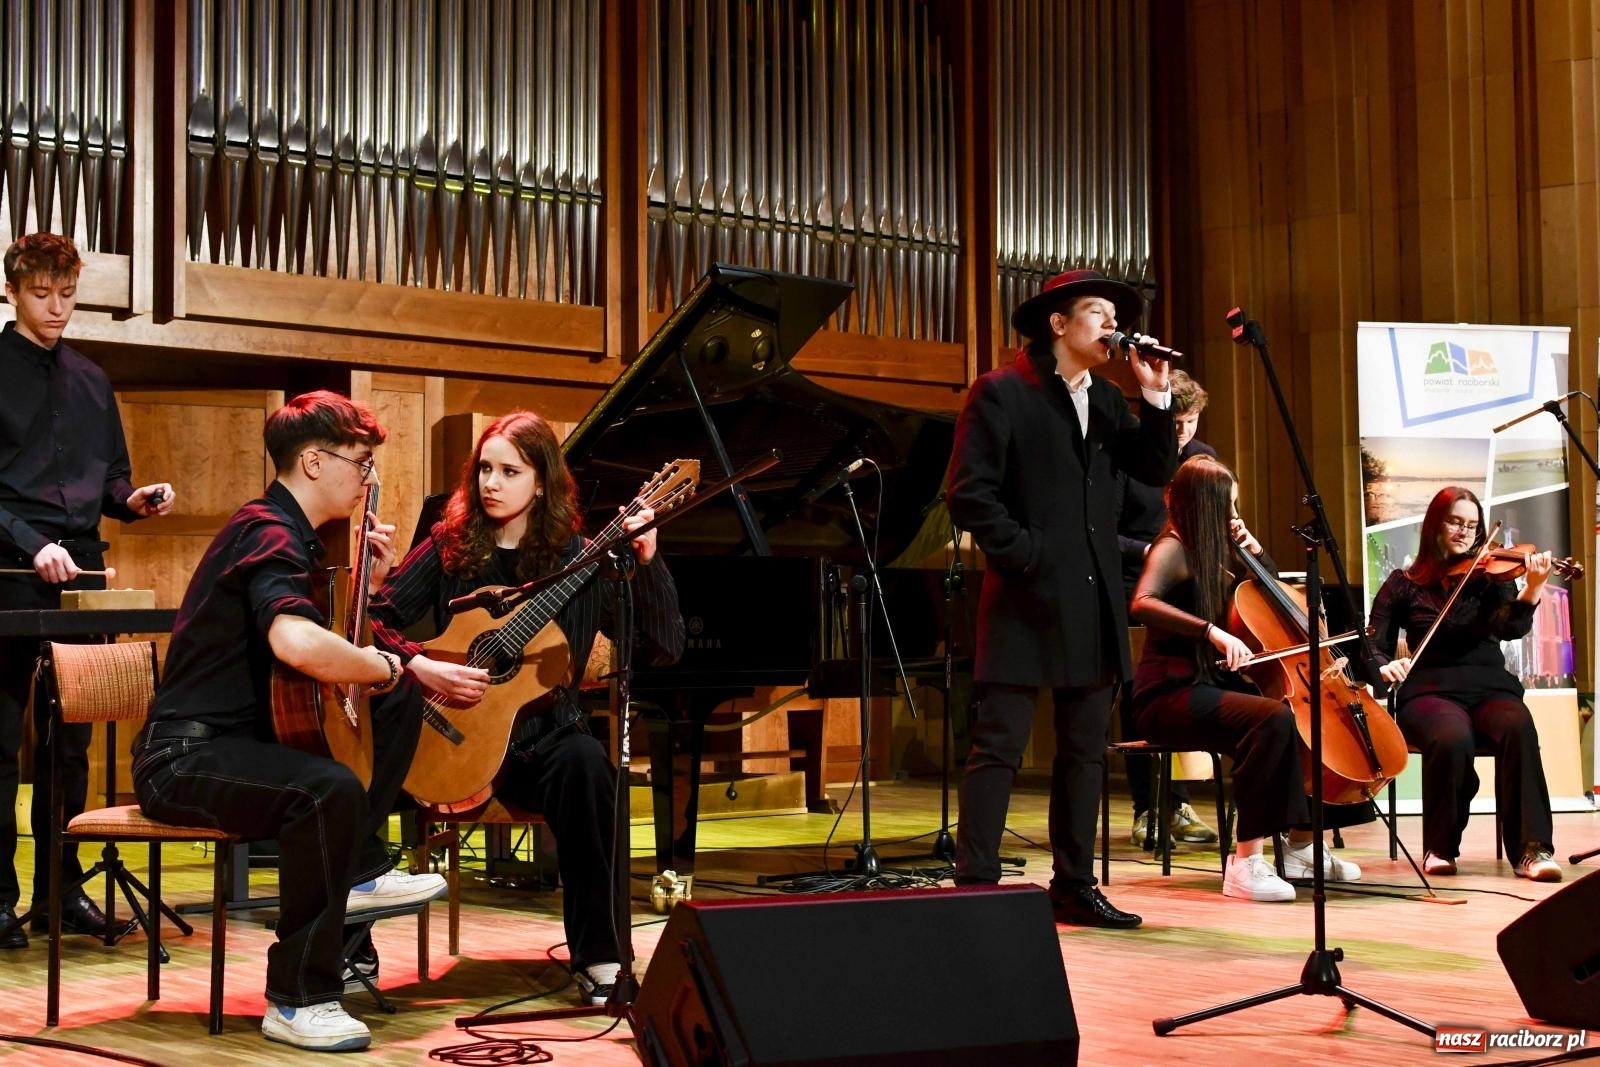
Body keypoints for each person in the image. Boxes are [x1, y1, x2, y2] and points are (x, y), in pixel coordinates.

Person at [132, 391, 446, 1052]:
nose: (368, 479)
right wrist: (382, 664)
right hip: (182, 758)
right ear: (311, 461)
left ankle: (359, 864)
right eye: (361, 463)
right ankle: (299, 998)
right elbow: (296, 644)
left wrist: (378, 609)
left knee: (398, 699)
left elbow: (325, 659)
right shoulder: (267, 532)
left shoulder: (292, 533)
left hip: (237, 746)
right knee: (325, 786)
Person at [369, 411, 684, 1004]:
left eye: (509, 471)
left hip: (542, 745)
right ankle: (347, 951)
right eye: (485, 469)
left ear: (542, 482)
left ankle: (601, 959)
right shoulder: (449, 546)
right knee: (358, 762)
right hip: (448, 734)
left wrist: (649, 564)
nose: (491, 482)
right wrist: (424, 665)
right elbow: (377, 620)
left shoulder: (584, 559)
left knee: (589, 766)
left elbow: (663, 649)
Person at [946, 269, 1175, 929]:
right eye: (1099, 313)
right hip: (1024, 593)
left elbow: (1151, 473)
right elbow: (968, 493)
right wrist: (1026, 553)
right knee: (1000, 744)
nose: (1112, 325)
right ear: (1058, 323)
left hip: (1092, 596)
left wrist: (1154, 395)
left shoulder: (1105, 399)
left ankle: (1073, 885)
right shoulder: (1000, 392)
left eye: (1113, 315)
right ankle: (977, 886)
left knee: (1083, 750)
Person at [0, 233, 175, 950]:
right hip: (8, 577)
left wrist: (136, 499)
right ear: (13, 291)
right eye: (43, 294)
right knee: (1, 744)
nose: (57, 307)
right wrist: (27, 542)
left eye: (67, 294)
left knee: (68, 752)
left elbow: (109, 481)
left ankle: (60, 891)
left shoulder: (92, 379)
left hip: (81, 580)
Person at [1129, 455, 1367, 902]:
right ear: (1204, 505)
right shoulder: (1173, 548)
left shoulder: (1220, 552)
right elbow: (1142, 602)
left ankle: (1300, 847)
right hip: (1167, 694)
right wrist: (1210, 630)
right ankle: (1244, 863)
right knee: (1270, 720)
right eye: (1228, 508)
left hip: (1208, 686)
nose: (1235, 518)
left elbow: (1274, 601)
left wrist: (1257, 553)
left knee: (1301, 719)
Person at [1367, 486, 1561, 882]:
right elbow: (1373, 644)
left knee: (1517, 726)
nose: (1465, 531)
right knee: (1451, 736)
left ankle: (1532, 849)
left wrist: (1534, 587)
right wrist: (1384, 667)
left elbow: (1510, 628)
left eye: (1472, 525)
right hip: (1429, 690)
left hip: (1490, 686)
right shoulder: (1403, 583)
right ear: (1435, 524)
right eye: (1455, 521)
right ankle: (1440, 846)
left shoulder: (1492, 576)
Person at [1113, 369, 1219, 848]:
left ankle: (1178, 804)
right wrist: (1159, 555)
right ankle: (1148, 808)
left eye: (1191, 421)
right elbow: (1102, 534)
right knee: (1139, 698)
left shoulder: (1201, 460)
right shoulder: (1128, 459)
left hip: (1185, 592)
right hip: (1129, 586)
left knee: (1188, 685)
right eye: (1175, 421)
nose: (1182, 432)